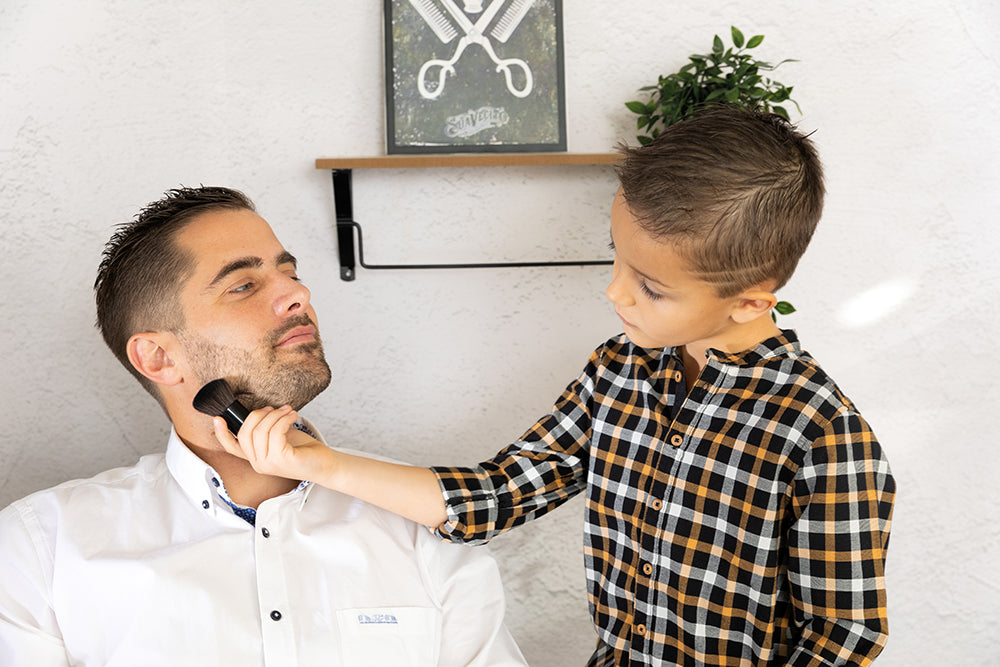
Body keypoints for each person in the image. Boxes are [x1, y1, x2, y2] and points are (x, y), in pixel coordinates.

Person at [215, 107, 897, 666]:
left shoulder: (823, 438)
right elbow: (495, 494)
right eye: (617, 258)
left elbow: (839, 641)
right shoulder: (617, 373)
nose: (614, 291)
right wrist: (321, 464)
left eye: (650, 287)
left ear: (751, 301)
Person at [0, 187, 526, 666]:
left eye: (290, 273)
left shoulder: (421, 521)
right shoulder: (41, 549)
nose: (298, 296)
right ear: (159, 357)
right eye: (244, 285)